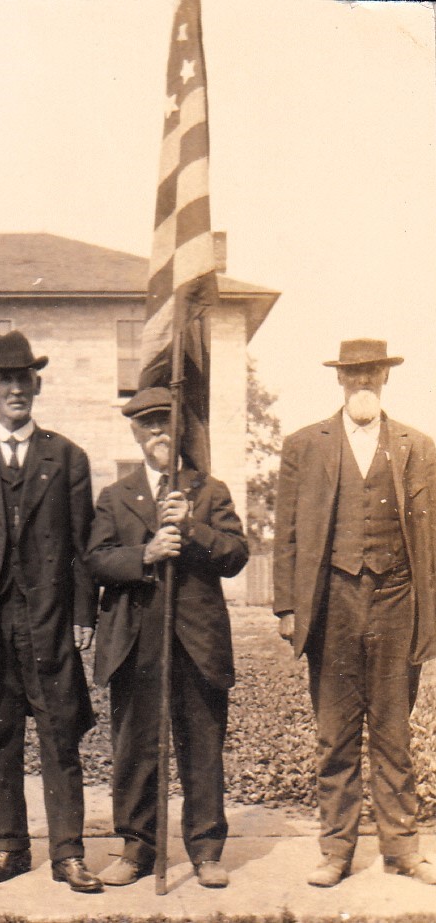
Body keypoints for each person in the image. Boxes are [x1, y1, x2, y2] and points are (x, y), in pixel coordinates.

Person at [0, 330, 102, 893]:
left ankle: (69, 855)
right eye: (4, 380)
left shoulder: (68, 456)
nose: (15, 389)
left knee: (59, 734)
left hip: (48, 619)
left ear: (37, 383)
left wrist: (83, 615)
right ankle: (10, 848)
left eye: (24, 378)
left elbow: (82, 546)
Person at [273, 338, 436, 888]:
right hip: (332, 603)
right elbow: (287, 533)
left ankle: (402, 850)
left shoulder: (418, 446)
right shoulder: (304, 445)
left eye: (372, 373)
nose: (362, 383)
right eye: (353, 374)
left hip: (397, 600)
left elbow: (431, 538)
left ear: (386, 377)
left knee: (394, 732)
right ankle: (335, 851)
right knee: (335, 732)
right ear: (339, 380)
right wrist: (289, 607)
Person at [86, 387, 249, 888]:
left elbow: (236, 554)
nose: (157, 433)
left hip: (197, 644)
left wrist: (194, 529)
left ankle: (205, 851)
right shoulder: (116, 496)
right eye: (147, 425)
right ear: (135, 434)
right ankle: (137, 848)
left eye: (165, 423)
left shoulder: (209, 490)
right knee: (135, 748)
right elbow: (95, 559)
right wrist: (147, 553)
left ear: (179, 431)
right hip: (136, 642)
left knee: (201, 747)